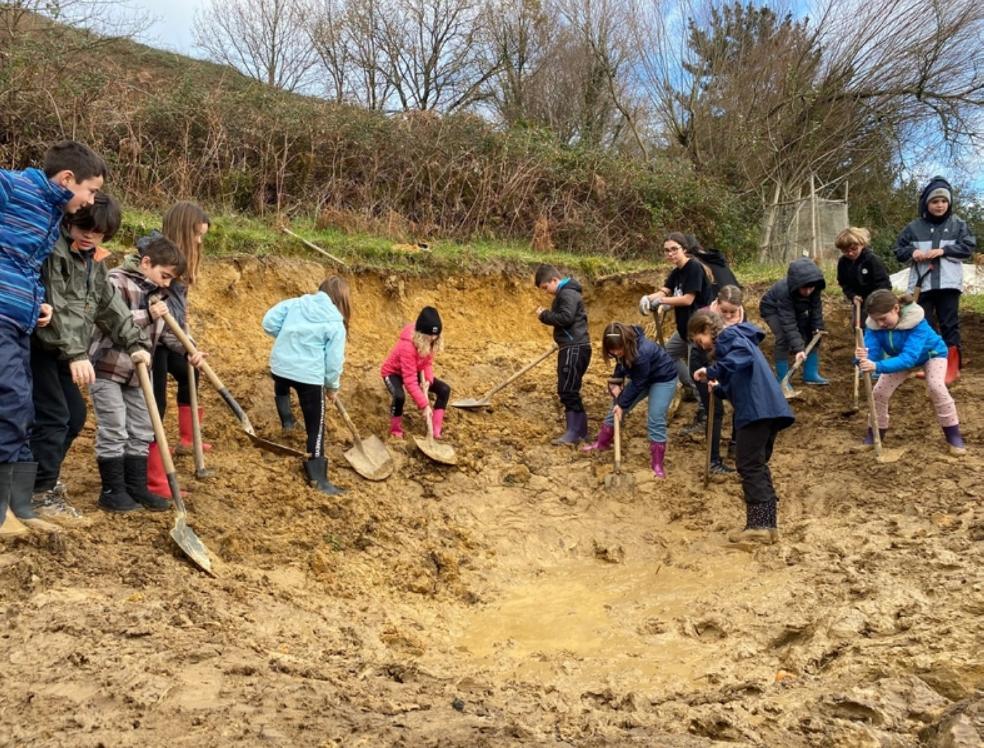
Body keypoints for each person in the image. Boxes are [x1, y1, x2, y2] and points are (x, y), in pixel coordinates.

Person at [1, 140, 107, 539]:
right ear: (67, 179)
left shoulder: (49, 213)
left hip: (19, 319)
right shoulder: (14, 187)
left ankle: (20, 505)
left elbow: (25, 267)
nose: (91, 199)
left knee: (23, 410)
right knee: (11, 402)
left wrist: (38, 303)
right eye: (91, 190)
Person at [31, 194, 150, 525]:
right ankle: (37, 493)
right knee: (54, 417)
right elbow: (55, 304)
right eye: (84, 227)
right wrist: (77, 354)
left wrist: (135, 342)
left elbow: (109, 306)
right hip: (41, 347)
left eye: (97, 232)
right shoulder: (54, 253)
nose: (89, 236)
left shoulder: (94, 263)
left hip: (66, 353)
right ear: (69, 222)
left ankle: (42, 480)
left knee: (74, 418)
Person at [89, 236, 201, 512]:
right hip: (108, 367)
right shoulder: (115, 281)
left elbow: (165, 335)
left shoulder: (157, 292)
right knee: (114, 428)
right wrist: (149, 315)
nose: (166, 284)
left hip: (139, 374)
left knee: (142, 428)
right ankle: (112, 491)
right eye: (164, 276)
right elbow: (109, 322)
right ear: (146, 262)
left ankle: (136, 487)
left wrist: (189, 350)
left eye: (170, 280)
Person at [690, 311, 794, 547]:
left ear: (708, 329)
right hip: (768, 409)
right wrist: (718, 387)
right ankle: (767, 526)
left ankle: (760, 527)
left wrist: (711, 371)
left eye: (700, 340)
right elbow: (740, 376)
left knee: (748, 464)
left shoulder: (728, 336)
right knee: (756, 464)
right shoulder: (738, 340)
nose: (701, 346)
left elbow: (742, 356)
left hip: (756, 411)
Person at [146, 202, 211, 498]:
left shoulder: (179, 267)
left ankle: (189, 438)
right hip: (151, 341)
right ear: (185, 231)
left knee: (189, 375)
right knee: (155, 405)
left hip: (168, 337)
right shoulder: (159, 261)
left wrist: (190, 343)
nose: (200, 242)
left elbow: (178, 314)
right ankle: (155, 480)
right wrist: (187, 347)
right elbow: (163, 316)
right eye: (198, 235)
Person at [262, 276, 349, 495]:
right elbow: (333, 361)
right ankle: (318, 477)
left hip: (279, 367)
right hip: (308, 377)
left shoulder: (295, 303)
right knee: (316, 424)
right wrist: (331, 386)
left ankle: (288, 421)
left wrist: (286, 339)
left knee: (282, 382)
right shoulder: (335, 322)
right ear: (341, 300)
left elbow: (269, 322)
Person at [856, 289, 966, 456]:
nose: (880, 324)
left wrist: (876, 366)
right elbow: (872, 354)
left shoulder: (917, 323)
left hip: (931, 355)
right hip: (900, 357)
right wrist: (861, 357)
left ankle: (954, 437)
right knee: (879, 392)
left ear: (896, 308)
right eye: (876, 320)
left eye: (883, 319)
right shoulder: (874, 327)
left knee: (936, 387)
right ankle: (874, 435)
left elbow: (909, 358)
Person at [893, 176, 976, 385]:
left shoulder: (958, 225)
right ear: (926, 204)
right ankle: (933, 367)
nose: (939, 205)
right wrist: (913, 252)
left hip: (949, 284)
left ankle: (952, 369)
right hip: (923, 285)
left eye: (943, 201)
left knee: (949, 324)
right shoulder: (913, 227)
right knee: (925, 325)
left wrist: (944, 250)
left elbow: (968, 247)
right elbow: (898, 250)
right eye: (934, 201)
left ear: (949, 203)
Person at [582, 323, 678, 478]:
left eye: (619, 349)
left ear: (626, 343)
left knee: (656, 418)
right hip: (642, 377)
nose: (616, 353)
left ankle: (657, 465)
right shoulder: (621, 350)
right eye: (612, 350)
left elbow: (638, 383)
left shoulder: (642, 352)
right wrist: (616, 382)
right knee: (614, 409)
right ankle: (602, 443)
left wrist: (622, 403)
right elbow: (622, 364)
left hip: (663, 379)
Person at [639, 232, 714, 433]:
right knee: (667, 356)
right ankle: (688, 386)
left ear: (684, 249)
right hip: (684, 330)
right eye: (667, 250)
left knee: (696, 370)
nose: (670, 253)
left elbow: (688, 299)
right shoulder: (676, 272)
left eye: (674, 249)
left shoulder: (694, 268)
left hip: (698, 330)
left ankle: (704, 412)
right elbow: (665, 291)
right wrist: (648, 298)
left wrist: (662, 302)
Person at [690, 285, 746, 474]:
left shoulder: (742, 319)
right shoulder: (703, 317)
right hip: (704, 364)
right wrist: (711, 373)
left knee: (741, 403)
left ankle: (736, 445)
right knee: (716, 411)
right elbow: (698, 346)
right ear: (717, 303)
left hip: (730, 366)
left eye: (733, 312)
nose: (729, 316)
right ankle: (713, 461)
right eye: (724, 311)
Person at [534, 264, 590, 445]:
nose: (546, 292)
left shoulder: (567, 294)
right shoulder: (569, 293)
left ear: (554, 280)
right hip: (573, 345)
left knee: (567, 389)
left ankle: (574, 432)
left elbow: (566, 318)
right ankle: (580, 431)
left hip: (574, 347)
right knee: (570, 388)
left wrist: (544, 315)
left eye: (545, 288)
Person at [381, 306, 451, 441]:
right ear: (421, 334)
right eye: (430, 336)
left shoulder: (432, 340)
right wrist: (424, 405)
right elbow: (410, 381)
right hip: (393, 372)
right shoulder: (407, 347)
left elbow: (427, 364)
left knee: (444, 389)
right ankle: (396, 432)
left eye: (436, 335)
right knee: (399, 396)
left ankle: (436, 431)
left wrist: (428, 381)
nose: (433, 338)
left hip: (415, 369)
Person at [759, 257, 828, 385]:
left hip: (795, 309)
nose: (808, 292)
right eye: (804, 289)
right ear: (796, 284)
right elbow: (788, 322)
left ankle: (810, 374)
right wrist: (798, 348)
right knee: (784, 337)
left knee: (812, 334)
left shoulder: (814, 286)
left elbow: (816, 310)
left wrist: (817, 327)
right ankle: (782, 380)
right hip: (772, 308)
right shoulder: (784, 291)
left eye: (810, 288)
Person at [835, 227, 892, 313]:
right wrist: (852, 296)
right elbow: (844, 283)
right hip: (858, 303)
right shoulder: (843, 262)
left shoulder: (872, 260)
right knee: (858, 324)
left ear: (862, 244)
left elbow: (884, 284)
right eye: (845, 251)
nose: (850, 253)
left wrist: (875, 301)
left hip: (877, 303)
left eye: (854, 249)